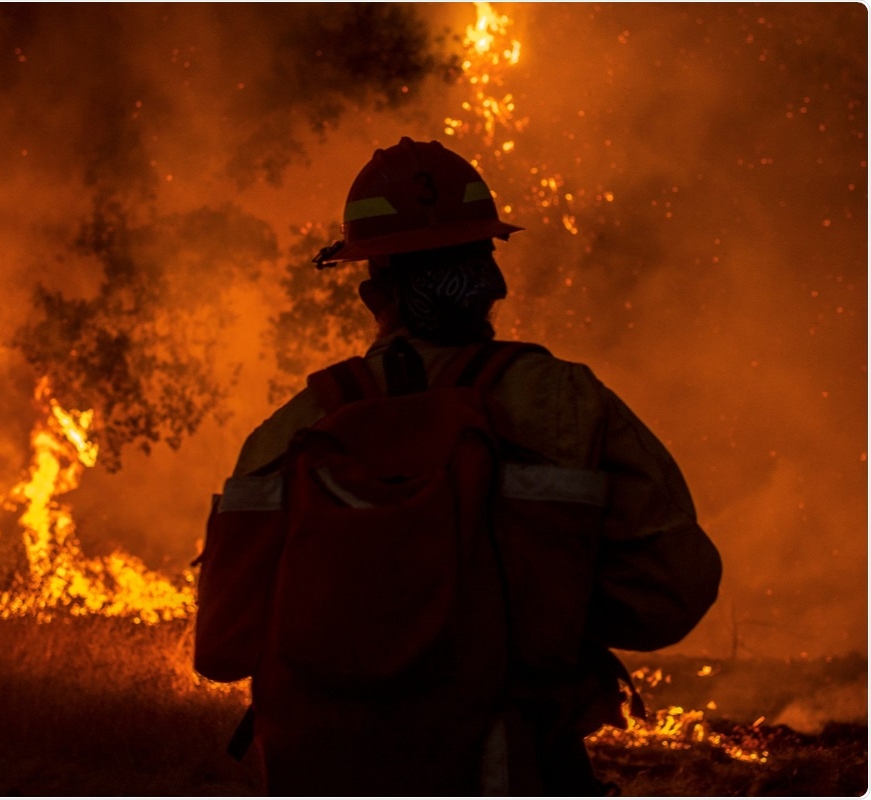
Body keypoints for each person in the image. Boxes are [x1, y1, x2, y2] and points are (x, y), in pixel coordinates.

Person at [194, 137, 722, 794]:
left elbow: (222, 646)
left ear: (369, 293)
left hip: (320, 773)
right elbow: (676, 592)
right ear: (489, 282)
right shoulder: (568, 402)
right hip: (505, 765)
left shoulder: (293, 431)